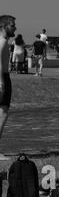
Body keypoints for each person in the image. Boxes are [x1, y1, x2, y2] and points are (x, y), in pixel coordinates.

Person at [0, 15, 17, 161]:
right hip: (2, 77)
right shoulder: (3, 41)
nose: (15, 28)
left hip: (3, 76)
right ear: (5, 26)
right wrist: (1, 82)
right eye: (12, 25)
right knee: (3, 113)